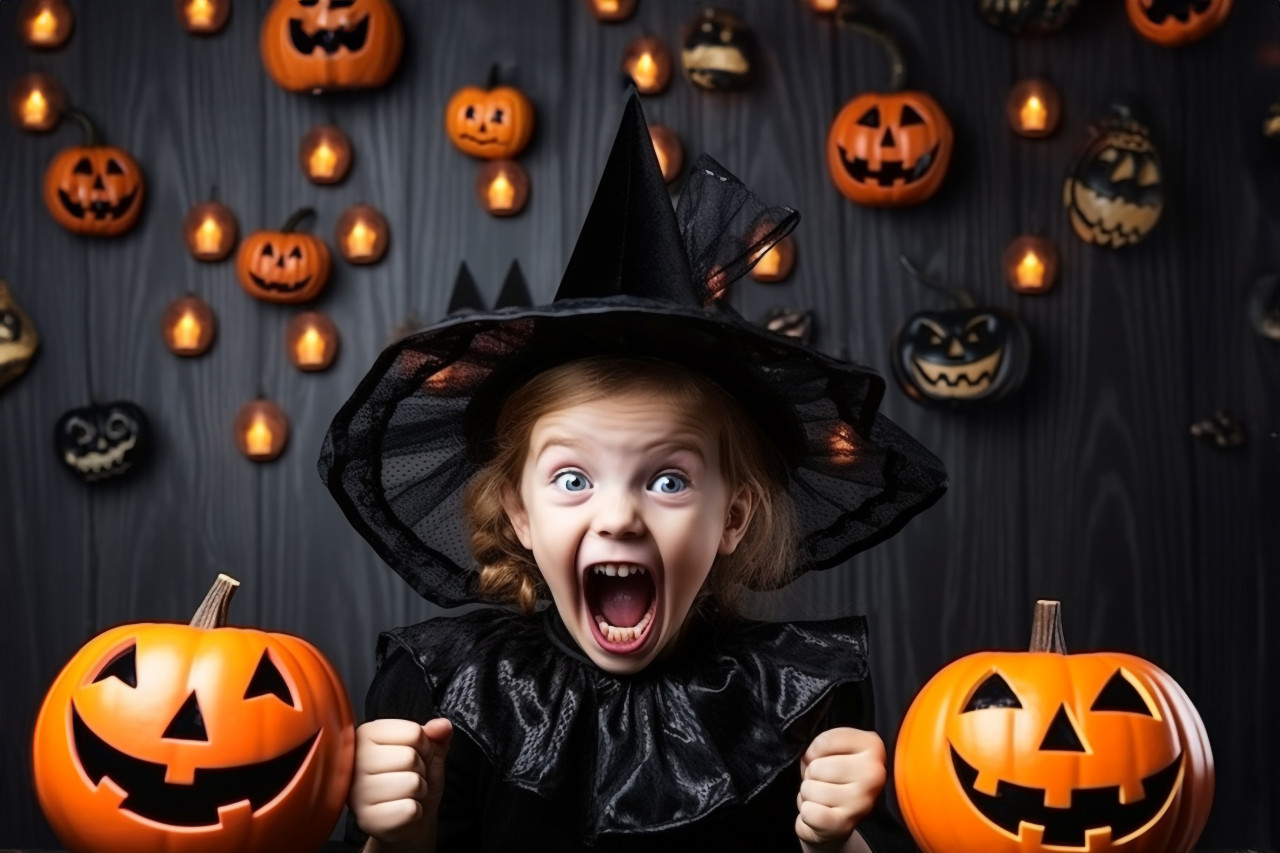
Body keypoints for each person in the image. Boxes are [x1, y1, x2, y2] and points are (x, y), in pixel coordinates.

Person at [319, 94, 948, 853]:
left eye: (669, 481)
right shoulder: (448, 688)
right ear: (520, 512)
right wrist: (398, 843)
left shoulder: (798, 697)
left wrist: (835, 845)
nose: (618, 516)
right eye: (574, 480)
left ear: (734, 518)